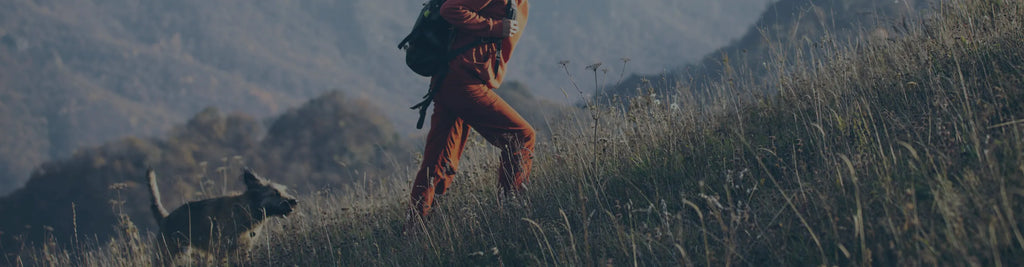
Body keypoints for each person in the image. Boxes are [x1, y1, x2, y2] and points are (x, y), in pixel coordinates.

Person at [409, 0, 533, 222]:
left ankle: (415, 230)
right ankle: (511, 215)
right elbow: (451, 9)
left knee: (439, 163)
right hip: (461, 81)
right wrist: (494, 27)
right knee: (520, 136)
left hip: (452, 79)